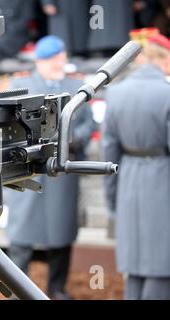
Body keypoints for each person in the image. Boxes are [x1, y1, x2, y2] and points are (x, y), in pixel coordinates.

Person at [6, 36, 96, 300]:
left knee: (61, 230)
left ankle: (56, 288)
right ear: (39, 62)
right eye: (52, 60)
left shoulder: (76, 86)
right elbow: (9, 125)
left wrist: (76, 139)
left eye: (60, 58)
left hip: (62, 169)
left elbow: (89, 122)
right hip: (29, 169)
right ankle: (17, 287)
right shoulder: (21, 86)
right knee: (22, 232)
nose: (58, 63)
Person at [103, 34, 170, 300]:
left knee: (136, 265)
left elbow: (109, 151)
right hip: (162, 176)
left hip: (128, 176)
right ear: (162, 58)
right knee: (161, 263)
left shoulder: (116, 93)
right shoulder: (167, 93)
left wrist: (112, 197)